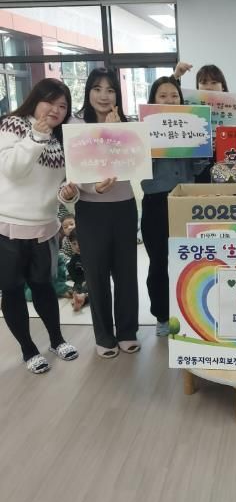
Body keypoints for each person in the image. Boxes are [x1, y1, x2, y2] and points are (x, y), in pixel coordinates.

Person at [0, 78, 79, 374]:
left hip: (44, 227)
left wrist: (67, 196)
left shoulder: (61, 140)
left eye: (63, 106)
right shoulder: (13, 125)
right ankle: (28, 349)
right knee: (12, 290)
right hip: (8, 226)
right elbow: (12, 169)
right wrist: (36, 136)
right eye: (50, 101)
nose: (55, 110)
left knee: (44, 287)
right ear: (35, 100)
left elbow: (57, 187)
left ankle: (57, 340)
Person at [73, 68, 140, 358]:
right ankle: (103, 336)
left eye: (110, 90)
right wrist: (92, 187)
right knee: (96, 274)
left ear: (117, 95)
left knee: (126, 272)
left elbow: (133, 164)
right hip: (90, 207)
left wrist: (117, 132)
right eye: (97, 89)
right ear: (88, 92)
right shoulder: (75, 124)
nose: (104, 95)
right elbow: (74, 171)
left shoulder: (127, 124)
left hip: (124, 204)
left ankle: (127, 331)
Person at [141, 77, 207, 336]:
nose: (169, 100)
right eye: (163, 96)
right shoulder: (144, 129)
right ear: (153, 100)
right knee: (159, 261)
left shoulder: (191, 124)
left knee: (191, 258)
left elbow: (198, 169)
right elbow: (140, 169)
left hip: (187, 201)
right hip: (156, 202)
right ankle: (161, 316)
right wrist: (151, 146)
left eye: (174, 96)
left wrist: (201, 149)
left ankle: (192, 314)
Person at [174, 62, 230, 182]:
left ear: (223, 87)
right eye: (204, 83)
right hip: (197, 171)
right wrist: (176, 76)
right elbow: (168, 100)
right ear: (198, 87)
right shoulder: (189, 109)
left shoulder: (233, 110)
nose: (209, 87)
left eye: (214, 82)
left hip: (226, 170)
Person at [66, 229, 88, 312]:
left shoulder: (91, 255)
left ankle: (82, 298)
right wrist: (79, 281)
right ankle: (77, 299)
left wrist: (86, 280)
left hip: (92, 280)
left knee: (90, 288)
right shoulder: (74, 259)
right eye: (74, 244)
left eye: (80, 243)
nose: (77, 246)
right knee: (76, 287)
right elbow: (73, 272)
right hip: (80, 281)